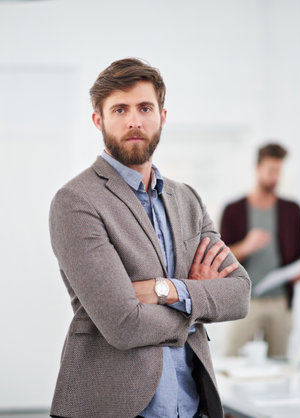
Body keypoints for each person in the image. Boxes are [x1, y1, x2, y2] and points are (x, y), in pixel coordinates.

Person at [49, 58, 251, 418]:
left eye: (145, 108)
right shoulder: (76, 202)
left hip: (192, 404)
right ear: (99, 120)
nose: (134, 121)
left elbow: (239, 294)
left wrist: (167, 290)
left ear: (162, 116)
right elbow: (124, 325)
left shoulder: (187, 198)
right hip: (116, 406)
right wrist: (199, 302)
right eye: (120, 109)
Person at [220, 143, 300, 358]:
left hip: (280, 302)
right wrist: (246, 246)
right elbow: (220, 257)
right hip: (244, 302)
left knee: (279, 364)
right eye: (270, 170)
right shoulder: (234, 210)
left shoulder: (292, 210)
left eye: (279, 171)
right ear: (257, 168)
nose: (275, 177)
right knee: (233, 360)